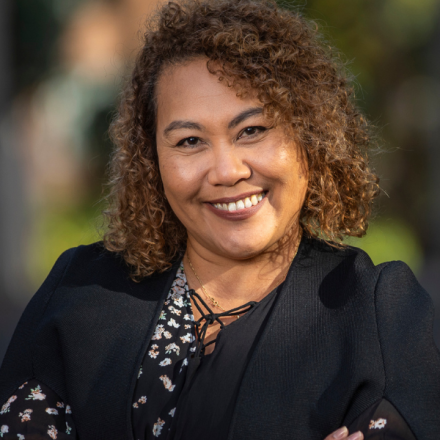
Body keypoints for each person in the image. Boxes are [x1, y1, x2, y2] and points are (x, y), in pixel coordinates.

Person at [1, 0, 439, 439]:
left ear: (310, 136)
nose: (227, 171)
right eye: (190, 141)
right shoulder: (80, 293)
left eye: (252, 130)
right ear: (152, 159)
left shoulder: (381, 315)